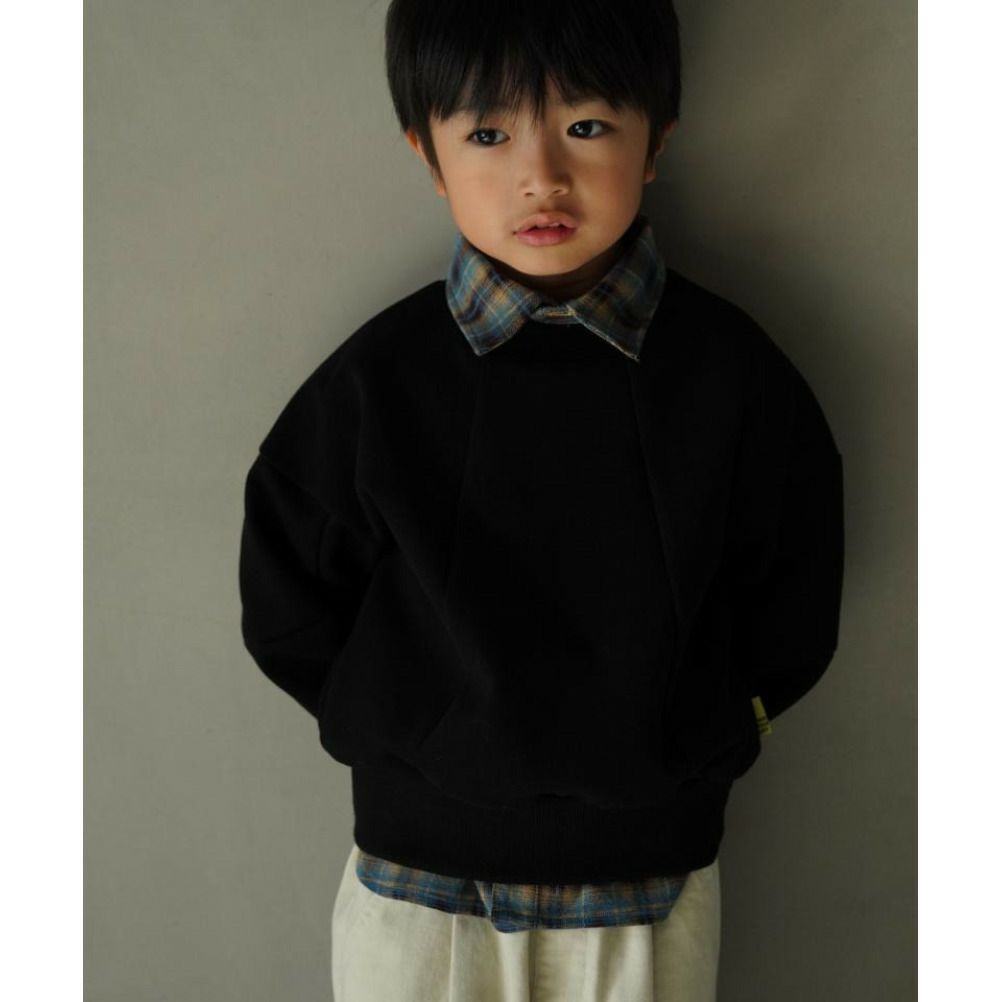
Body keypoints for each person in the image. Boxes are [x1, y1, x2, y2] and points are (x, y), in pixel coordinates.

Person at [238, 0, 845, 998]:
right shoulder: (377, 385)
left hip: (650, 888)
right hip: (415, 890)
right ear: (428, 155)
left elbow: (795, 594)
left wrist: (711, 730)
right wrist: (405, 731)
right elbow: (288, 597)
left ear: (658, 140)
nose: (542, 175)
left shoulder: (735, 380)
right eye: (488, 134)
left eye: (587, 125)